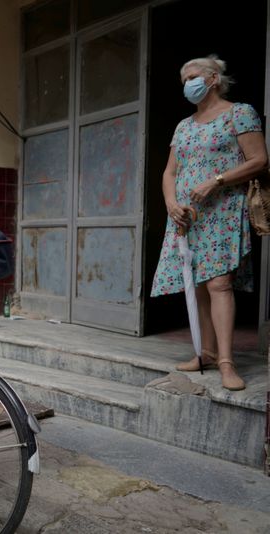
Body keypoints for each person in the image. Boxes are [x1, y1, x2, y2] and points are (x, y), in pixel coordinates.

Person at [151, 56, 268, 391]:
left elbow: (260, 160)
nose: (188, 84)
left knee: (219, 284)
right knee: (198, 285)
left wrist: (216, 181)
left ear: (214, 78)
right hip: (188, 215)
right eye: (184, 79)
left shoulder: (239, 113)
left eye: (193, 76)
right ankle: (207, 353)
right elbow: (169, 173)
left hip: (223, 210)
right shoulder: (184, 125)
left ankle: (228, 362)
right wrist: (172, 203)